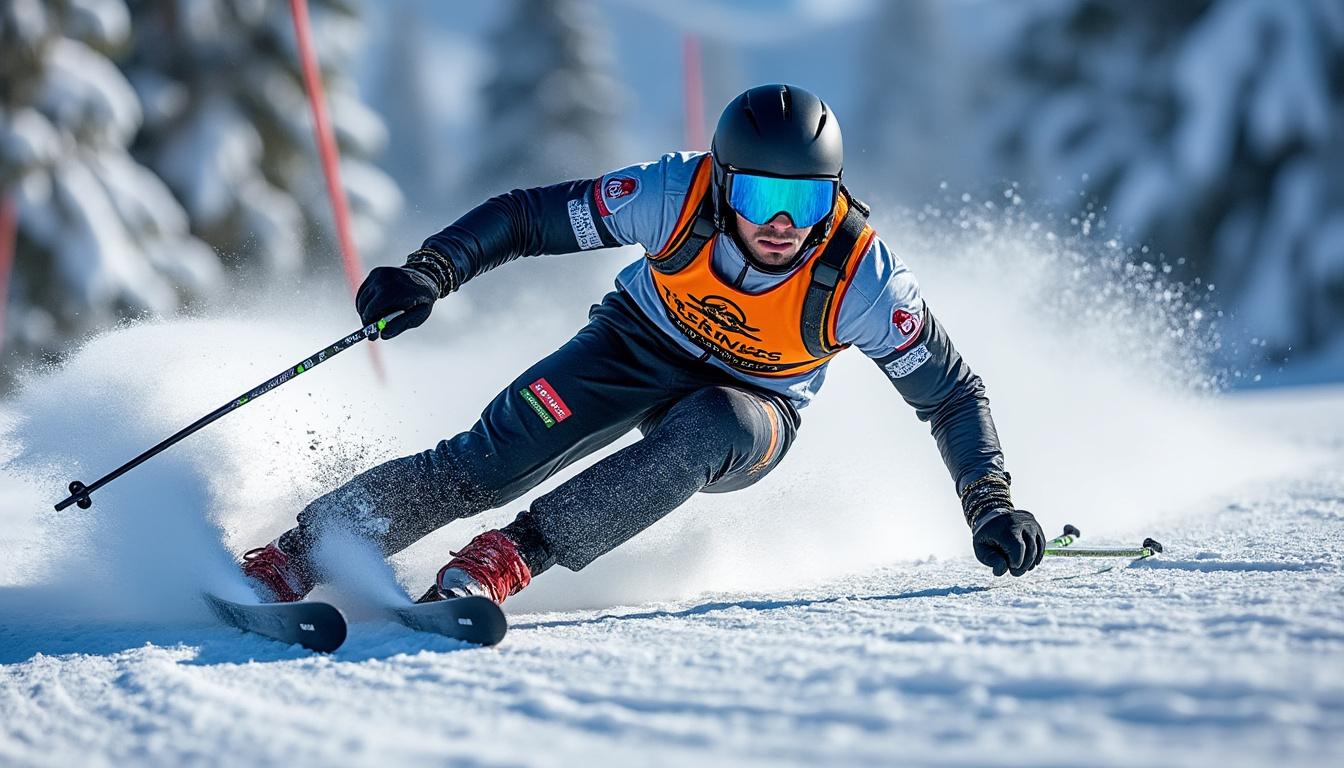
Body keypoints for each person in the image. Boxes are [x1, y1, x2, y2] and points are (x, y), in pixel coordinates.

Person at [239, 84, 1046, 606]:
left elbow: (951, 394)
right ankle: (299, 555)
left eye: (805, 201)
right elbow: (528, 217)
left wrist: (991, 503)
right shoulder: (670, 193)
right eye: (762, 194)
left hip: (754, 404)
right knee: (485, 461)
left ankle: (503, 560)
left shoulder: (864, 277)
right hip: (634, 343)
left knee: (713, 427)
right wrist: (433, 270)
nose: (781, 225)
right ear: (724, 180)